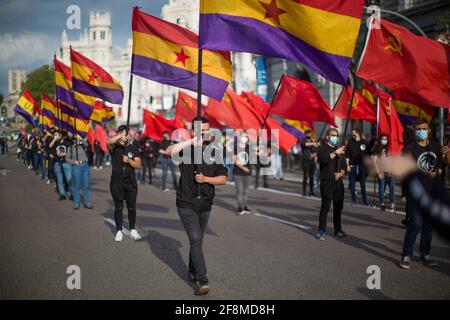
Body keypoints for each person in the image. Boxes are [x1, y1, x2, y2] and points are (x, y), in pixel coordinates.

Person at [166, 117, 228, 295]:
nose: (204, 133)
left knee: (198, 241)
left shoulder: (214, 152)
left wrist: (206, 179)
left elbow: (223, 179)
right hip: (186, 203)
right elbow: (170, 151)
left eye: (207, 130)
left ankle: (192, 271)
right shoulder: (186, 149)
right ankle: (202, 280)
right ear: (194, 131)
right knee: (195, 238)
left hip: (205, 204)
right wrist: (192, 141)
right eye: (201, 130)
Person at [399, 119, 445, 269]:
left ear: (429, 130)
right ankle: (406, 255)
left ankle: (425, 255)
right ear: (414, 131)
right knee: (415, 224)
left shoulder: (436, 147)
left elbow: (447, 164)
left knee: (429, 226)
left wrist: (448, 153)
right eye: (418, 129)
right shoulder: (409, 149)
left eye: (423, 129)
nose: (420, 131)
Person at [107, 126, 142, 242]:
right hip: (117, 182)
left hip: (130, 182)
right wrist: (119, 136)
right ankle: (118, 230)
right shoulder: (115, 147)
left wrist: (129, 161)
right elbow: (109, 142)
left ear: (128, 135)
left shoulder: (133, 148)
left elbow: (138, 165)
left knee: (131, 207)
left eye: (125, 134)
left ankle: (133, 229)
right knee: (119, 207)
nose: (123, 136)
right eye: (121, 134)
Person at [316, 128, 347, 241]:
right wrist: (335, 153)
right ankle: (321, 230)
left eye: (337, 135)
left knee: (338, 208)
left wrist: (341, 173)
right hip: (327, 182)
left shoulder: (341, 150)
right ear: (328, 137)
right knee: (325, 207)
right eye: (333, 135)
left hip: (338, 183)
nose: (335, 137)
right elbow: (324, 160)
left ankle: (338, 229)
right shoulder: (323, 149)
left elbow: (343, 167)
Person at [66, 134, 93, 210]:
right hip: (76, 167)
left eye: (77, 139)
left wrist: (81, 138)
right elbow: (67, 158)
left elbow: (87, 145)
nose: (77, 141)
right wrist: (73, 162)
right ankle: (76, 203)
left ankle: (87, 202)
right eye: (75, 139)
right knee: (76, 185)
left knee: (86, 185)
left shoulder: (82, 145)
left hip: (85, 165)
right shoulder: (70, 148)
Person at [345, 128, 370, 206]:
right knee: (352, 185)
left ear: (358, 133)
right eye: (352, 133)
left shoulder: (364, 143)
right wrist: (347, 165)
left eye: (354, 133)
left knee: (363, 185)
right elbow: (347, 155)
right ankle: (353, 200)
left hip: (362, 167)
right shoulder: (350, 142)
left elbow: (368, 155)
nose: (353, 134)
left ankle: (365, 201)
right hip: (353, 166)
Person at [372, 133, 395, 212]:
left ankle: (392, 203)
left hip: (388, 171)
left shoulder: (389, 148)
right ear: (380, 139)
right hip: (381, 171)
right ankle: (382, 204)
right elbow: (374, 161)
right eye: (383, 139)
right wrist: (378, 172)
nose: (384, 140)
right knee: (381, 188)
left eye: (386, 139)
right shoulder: (377, 148)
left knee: (391, 188)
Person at [233, 131, 251, 215]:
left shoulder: (249, 147)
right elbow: (235, 160)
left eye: (246, 136)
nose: (245, 138)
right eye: (244, 136)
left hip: (248, 174)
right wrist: (243, 168)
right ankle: (240, 207)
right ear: (240, 138)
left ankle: (245, 206)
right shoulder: (236, 148)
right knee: (239, 191)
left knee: (246, 191)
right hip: (238, 173)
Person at [301, 130, 318, 196]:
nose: (309, 135)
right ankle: (304, 191)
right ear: (305, 134)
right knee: (305, 176)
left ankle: (311, 191)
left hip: (312, 161)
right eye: (307, 133)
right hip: (305, 160)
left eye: (310, 133)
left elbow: (315, 151)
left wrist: (314, 155)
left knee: (312, 177)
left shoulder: (312, 141)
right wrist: (313, 144)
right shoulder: (302, 140)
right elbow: (304, 144)